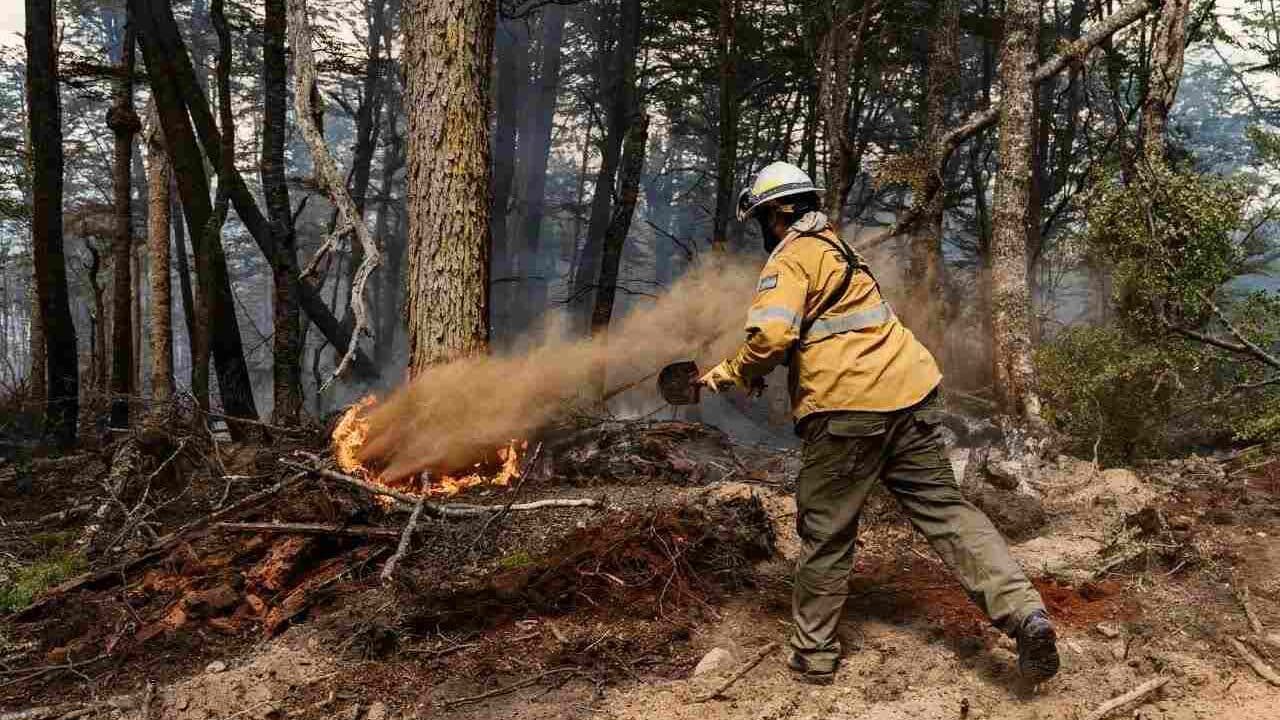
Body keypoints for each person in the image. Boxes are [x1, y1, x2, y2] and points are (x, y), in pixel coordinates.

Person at [698, 161, 1059, 686]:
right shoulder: (842, 252)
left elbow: (772, 338)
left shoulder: (792, 258)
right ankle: (1025, 613)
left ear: (776, 214)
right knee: (948, 513)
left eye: (761, 218)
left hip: (848, 412)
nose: (762, 230)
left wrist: (729, 373)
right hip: (909, 397)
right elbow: (831, 330)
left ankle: (814, 657)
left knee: (827, 530)